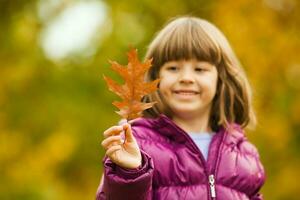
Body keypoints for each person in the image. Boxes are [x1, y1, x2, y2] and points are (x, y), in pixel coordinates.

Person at [96, 16, 266, 200]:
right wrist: (128, 175)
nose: (186, 78)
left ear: (222, 79)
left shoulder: (243, 153)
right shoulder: (137, 145)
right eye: (173, 68)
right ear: (155, 78)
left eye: (200, 69)